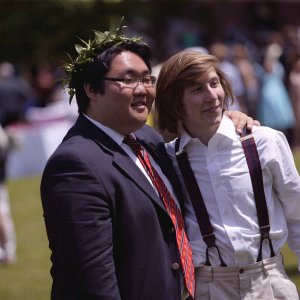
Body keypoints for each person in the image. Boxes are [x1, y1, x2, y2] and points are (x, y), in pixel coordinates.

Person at [40, 20, 256, 300]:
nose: (142, 89)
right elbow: (90, 279)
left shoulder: (149, 139)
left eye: (146, 79)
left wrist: (231, 120)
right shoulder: (75, 165)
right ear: (91, 89)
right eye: (128, 79)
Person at [155, 50, 300, 299]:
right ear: (176, 101)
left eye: (214, 83)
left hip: (268, 280)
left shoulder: (264, 141)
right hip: (209, 286)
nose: (212, 96)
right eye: (197, 90)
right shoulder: (167, 158)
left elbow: (297, 214)